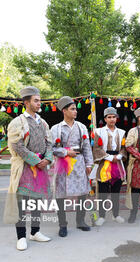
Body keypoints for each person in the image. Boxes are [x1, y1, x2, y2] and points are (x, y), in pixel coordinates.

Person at [4, 86, 53, 251]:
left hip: (41, 167)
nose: (39, 103)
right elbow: (17, 145)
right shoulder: (17, 122)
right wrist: (34, 160)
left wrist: (47, 159)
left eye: (39, 100)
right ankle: (21, 236)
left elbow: (49, 143)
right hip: (25, 167)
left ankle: (35, 231)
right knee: (22, 202)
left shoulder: (43, 122)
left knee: (37, 201)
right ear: (26, 102)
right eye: (36, 100)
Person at [51, 96, 93, 237]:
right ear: (64, 111)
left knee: (82, 193)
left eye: (75, 109)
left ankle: (80, 221)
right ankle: (62, 225)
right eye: (72, 109)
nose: (75, 111)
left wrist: (89, 163)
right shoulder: (56, 129)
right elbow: (50, 148)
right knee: (60, 194)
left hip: (79, 163)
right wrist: (65, 152)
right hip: (63, 164)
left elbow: (86, 146)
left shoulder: (81, 127)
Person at [92, 107, 127, 226]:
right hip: (104, 163)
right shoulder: (99, 132)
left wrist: (120, 156)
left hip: (117, 162)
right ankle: (102, 216)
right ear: (105, 119)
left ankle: (115, 215)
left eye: (114, 117)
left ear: (116, 118)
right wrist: (110, 157)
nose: (112, 119)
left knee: (116, 191)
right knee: (103, 190)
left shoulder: (122, 132)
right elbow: (96, 148)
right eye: (109, 117)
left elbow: (123, 148)